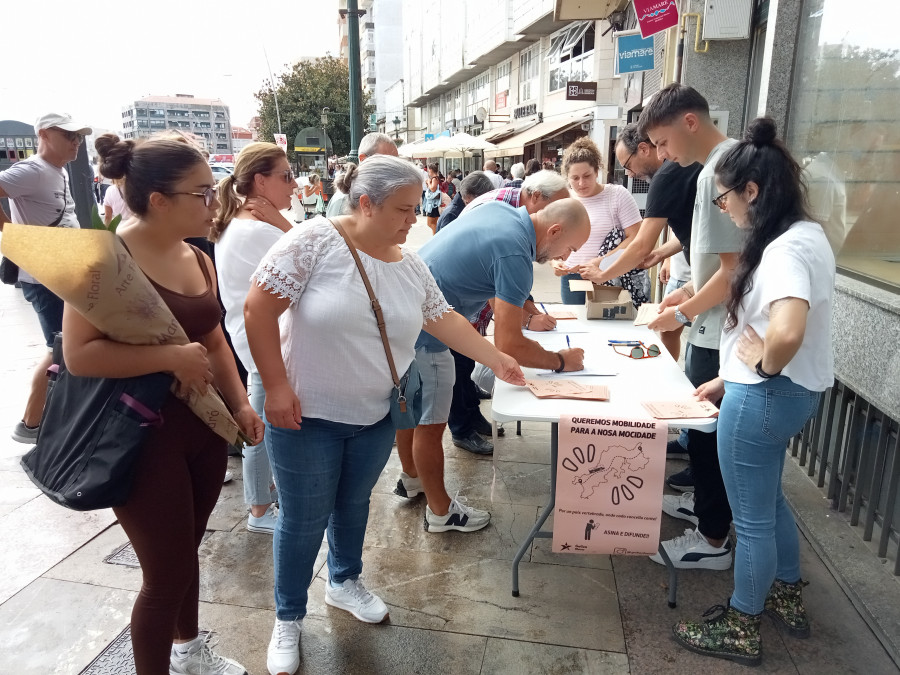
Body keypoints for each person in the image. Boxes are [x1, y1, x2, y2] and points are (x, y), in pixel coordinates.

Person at [243, 155, 525, 675]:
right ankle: (288, 617)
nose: (412, 220)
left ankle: (345, 581)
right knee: (303, 520)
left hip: (375, 414)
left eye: (416, 208)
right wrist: (276, 388)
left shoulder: (410, 264)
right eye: (402, 208)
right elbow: (258, 310)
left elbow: (443, 319)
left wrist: (497, 359)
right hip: (306, 416)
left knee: (353, 505)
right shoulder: (314, 241)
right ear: (365, 202)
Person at [75, 134, 263, 674]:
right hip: (136, 435)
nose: (215, 202)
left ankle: (188, 651)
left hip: (201, 426)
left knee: (185, 556)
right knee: (164, 575)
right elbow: (81, 354)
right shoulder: (104, 259)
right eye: (203, 193)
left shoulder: (198, 256)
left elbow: (214, 341)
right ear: (158, 199)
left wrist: (241, 406)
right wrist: (169, 359)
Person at [672, 117, 834, 666]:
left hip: (764, 399)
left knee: (754, 517)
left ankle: (743, 621)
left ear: (752, 190)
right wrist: (729, 376)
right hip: (787, 396)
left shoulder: (784, 250)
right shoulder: (806, 235)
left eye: (725, 201)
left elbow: (786, 330)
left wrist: (759, 370)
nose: (726, 212)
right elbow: (771, 328)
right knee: (770, 502)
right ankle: (786, 591)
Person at [394, 198, 591, 532]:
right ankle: (441, 513)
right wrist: (560, 361)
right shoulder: (516, 254)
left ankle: (411, 479)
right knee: (430, 424)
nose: (565, 258)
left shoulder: (501, 213)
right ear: (554, 230)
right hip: (429, 333)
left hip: (403, 318)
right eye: (569, 247)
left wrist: (523, 313)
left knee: (408, 409)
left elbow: (485, 279)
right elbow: (509, 344)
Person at [641, 83, 742, 571]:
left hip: (719, 330)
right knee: (705, 436)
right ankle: (705, 508)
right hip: (712, 321)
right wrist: (687, 295)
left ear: (690, 122)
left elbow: (733, 268)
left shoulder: (718, 172)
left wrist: (683, 312)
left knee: (706, 433)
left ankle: (712, 537)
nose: (661, 154)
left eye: (662, 142)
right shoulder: (723, 164)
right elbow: (715, 265)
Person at [211, 142, 298, 535]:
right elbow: (326, 259)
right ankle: (260, 510)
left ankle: (265, 495)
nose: (294, 185)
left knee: (262, 425)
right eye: (286, 176)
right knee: (261, 430)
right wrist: (286, 228)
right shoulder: (259, 231)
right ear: (260, 182)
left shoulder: (240, 223)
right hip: (266, 346)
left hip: (256, 341)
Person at [0, 112, 90, 444]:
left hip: (64, 273)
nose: (76, 142)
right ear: (44, 135)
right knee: (61, 348)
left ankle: (43, 422)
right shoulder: (32, 170)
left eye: (79, 136)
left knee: (66, 347)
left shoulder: (57, 171)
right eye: (69, 135)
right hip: (44, 277)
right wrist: (10, 233)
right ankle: (32, 423)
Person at [552, 137, 647, 306]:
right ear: (567, 178)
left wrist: (601, 261)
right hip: (572, 277)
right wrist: (555, 260)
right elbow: (553, 239)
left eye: (587, 176)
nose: (581, 183)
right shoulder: (563, 199)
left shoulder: (617, 195)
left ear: (597, 171)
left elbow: (636, 237)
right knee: (576, 327)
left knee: (609, 329)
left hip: (610, 274)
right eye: (575, 178)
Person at [326, 132, 398, 217]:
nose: (394, 170)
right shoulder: (344, 200)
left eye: (396, 163)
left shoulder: (379, 194)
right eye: (385, 162)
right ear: (363, 159)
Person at [462, 169, 569, 214]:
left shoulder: (514, 203)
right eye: (555, 208)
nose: (558, 215)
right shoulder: (501, 209)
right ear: (536, 196)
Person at [423, 162, 442, 234]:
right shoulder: (436, 178)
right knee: (433, 223)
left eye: (428, 170)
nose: (428, 172)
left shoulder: (434, 178)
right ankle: (437, 235)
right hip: (435, 203)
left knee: (430, 223)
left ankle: (436, 236)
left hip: (433, 204)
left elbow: (433, 189)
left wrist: (428, 182)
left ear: (430, 170)